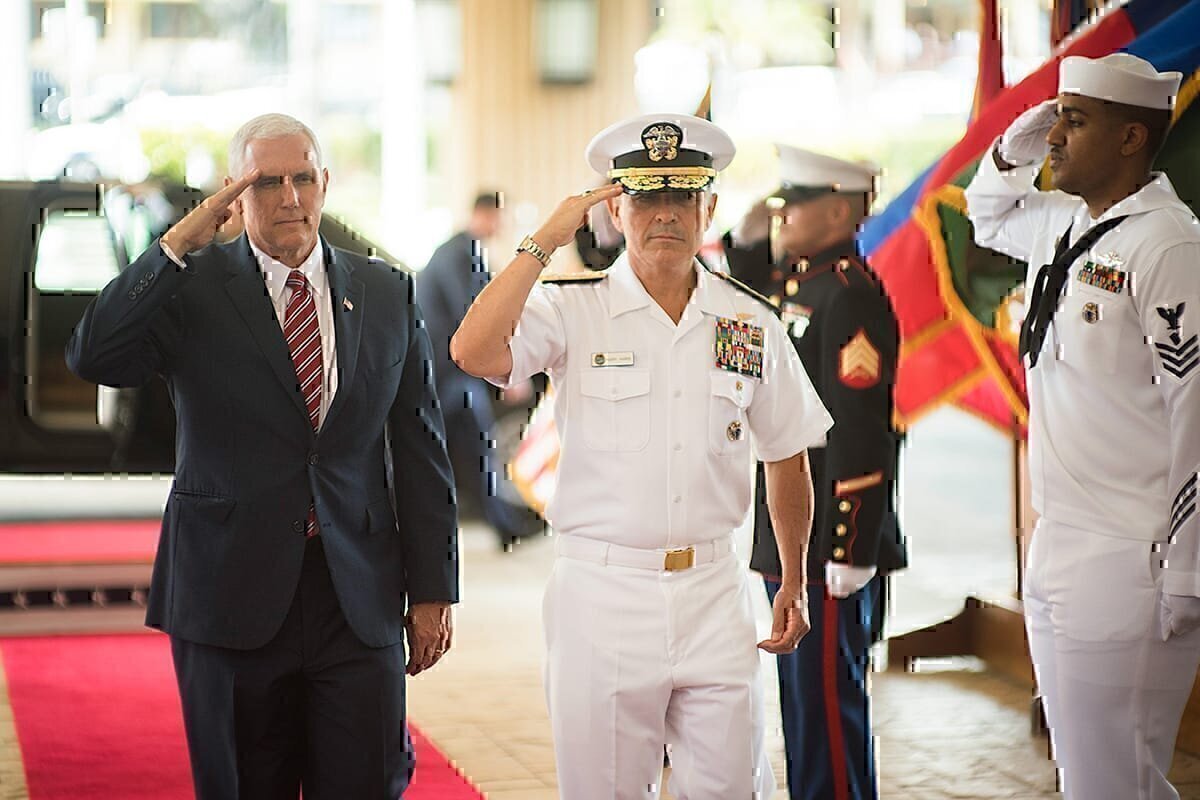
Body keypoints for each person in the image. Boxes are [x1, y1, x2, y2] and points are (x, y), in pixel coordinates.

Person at [66, 113, 459, 799]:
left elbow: (420, 447)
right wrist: (176, 245)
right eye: (266, 181)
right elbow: (93, 354)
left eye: (303, 178)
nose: (289, 197)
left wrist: (433, 588)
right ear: (232, 194)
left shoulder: (385, 291)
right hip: (228, 597)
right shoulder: (190, 288)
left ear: (325, 183)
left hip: (356, 597)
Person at [451, 113, 834, 799]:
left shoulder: (750, 323)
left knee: (728, 790)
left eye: (682, 197)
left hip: (716, 591)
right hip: (602, 595)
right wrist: (542, 242)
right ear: (617, 209)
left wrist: (793, 580)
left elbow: (786, 455)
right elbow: (472, 351)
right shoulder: (573, 310)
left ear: (707, 207)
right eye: (648, 197)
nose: (666, 214)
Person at [965, 53, 1200, 799]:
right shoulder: (1065, 223)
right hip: (1060, 541)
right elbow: (986, 211)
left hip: (1133, 552)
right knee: (1086, 771)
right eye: (1058, 118)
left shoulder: (1168, 245)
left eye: (1075, 120)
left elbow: (1196, 411)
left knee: (1116, 774)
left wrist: (1192, 567)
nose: (1058, 136)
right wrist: (1016, 146)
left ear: (1132, 139)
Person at [726, 145, 905, 800]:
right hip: (790, 531)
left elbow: (862, 429)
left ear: (836, 210)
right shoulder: (799, 283)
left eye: (792, 206)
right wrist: (745, 239)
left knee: (828, 700)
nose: (782, 218)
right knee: (801, 700)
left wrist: (850, 546)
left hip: (827, 536)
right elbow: (743, 310)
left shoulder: (851, 297)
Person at [417, 192, 539, 548]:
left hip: (449, 374)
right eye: (500, 217)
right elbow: (473, 317)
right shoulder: (460, 254)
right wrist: (511, 371)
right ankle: (506, 526)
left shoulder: (461, 251)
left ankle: (506, 526)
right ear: (484, 213)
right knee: (475, 448)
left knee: (471, 451)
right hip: (448, 374)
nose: (501, 226)